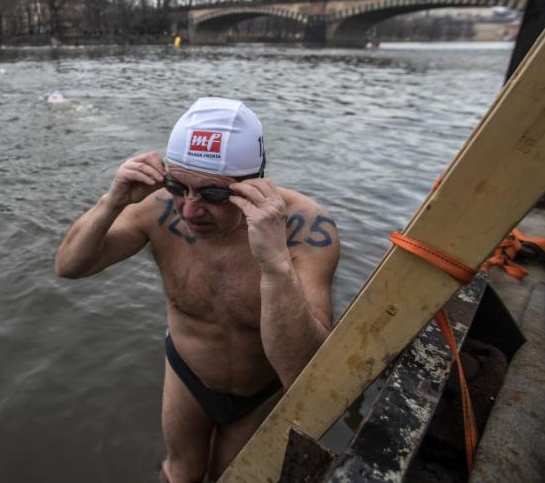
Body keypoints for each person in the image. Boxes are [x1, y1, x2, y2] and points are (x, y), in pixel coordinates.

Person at [54, 97, 339, 482]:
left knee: (233, 476)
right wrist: (112, 200)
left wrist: (274, 264)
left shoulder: (306, 228)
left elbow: (303, 373)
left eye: (213, 195)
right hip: (187, 375)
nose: (188, 210)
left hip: (263, 390)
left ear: (253, 182)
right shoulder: (156, 208)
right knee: (180, 474)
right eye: (177, 185)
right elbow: (69, 267)